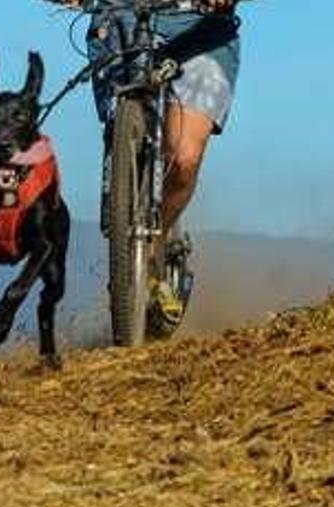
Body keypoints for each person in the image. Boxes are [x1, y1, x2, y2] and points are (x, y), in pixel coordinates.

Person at [47, 0, 241, 316]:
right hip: (119, 18)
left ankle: (154, 246)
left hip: (202, 26)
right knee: (122, 123)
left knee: (183, 157)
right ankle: (127, 227)